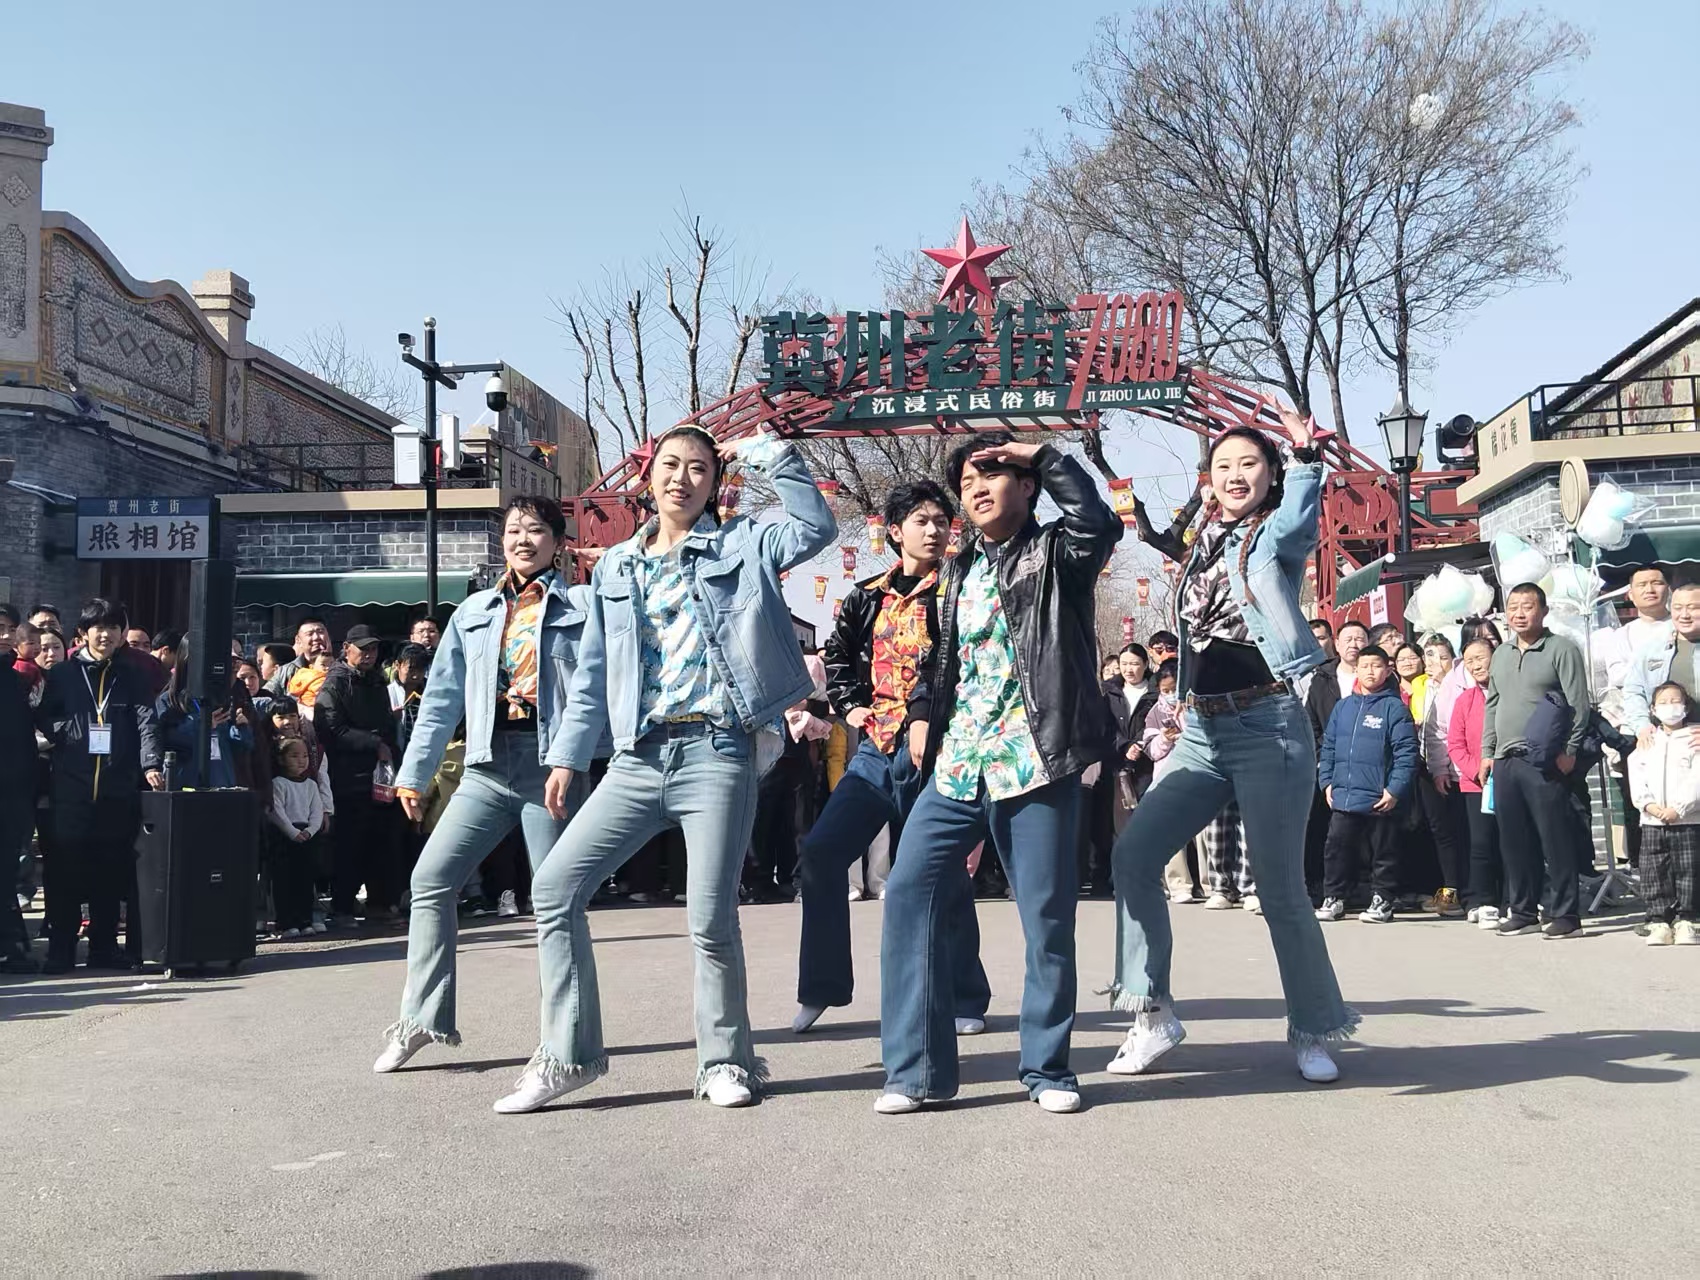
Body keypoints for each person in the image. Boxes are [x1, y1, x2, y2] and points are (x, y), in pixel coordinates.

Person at [513, 425, 835, 1113]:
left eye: (698, 468)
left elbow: (816, 527)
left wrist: (770, 455)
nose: (681, 479)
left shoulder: (743, 544)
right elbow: (593, 672)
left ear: (714, 483)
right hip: (637, 757)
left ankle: (726, 1062)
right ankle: (567, 1055)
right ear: (648, 477)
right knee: (555, 887)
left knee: (710, 919)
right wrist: (567, 755)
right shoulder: (616, 567)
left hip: (717, 751)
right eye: (670, 465)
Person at [1105, 408, 1357, 1086]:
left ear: (1270, 474)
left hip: (1268, 725)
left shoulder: (1275, 533)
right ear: (1208, 480)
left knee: (1278, 890)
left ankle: (1312, 1028)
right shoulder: (1203, 541)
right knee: (1134, 856)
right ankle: (1152, 1014)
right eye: (1223, 466)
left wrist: (1306, 460)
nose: (1236, 474)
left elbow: (1301, 515)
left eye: (1250, 463)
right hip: (1201, 731)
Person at [878, 431, 1122, 1117]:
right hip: (958, 764)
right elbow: (941, 660)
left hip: (1034, 760)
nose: (977, 488)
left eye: (993, 473)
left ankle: (1047, 1069)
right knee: (908, 895)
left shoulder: (1058, 554)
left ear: (1027, 486)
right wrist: (920, 713)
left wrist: (1039, 453)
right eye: (967, 482)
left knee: (1045, 920)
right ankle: (916, 1072)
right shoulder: (956, 572)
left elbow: (1097, 521)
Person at [372, 496, 602, 1073]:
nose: (523, 539)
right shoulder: (473, 612)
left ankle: (565, 1047)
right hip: (485, 765)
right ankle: (422, 1017)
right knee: (431, 880)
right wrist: (415, 773)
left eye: (537, 530)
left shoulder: (583, 605)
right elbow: (441, 698)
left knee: (556, 901)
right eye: (514, 530)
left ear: (558, 542)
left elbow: (595, 689)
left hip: (549, 767)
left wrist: (573, 758)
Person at [794, 479, 989, 1035]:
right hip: (875, 753)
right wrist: (850, 706)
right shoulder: (866, 595)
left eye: (942, 521)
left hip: (937, 751)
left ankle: (965, 996)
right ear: (895, 531)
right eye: (922, 521)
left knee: (943, 870)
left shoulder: (960, 589)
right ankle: (823, 986)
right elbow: (836, 655)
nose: (934, 530)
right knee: (823, 854)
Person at [34, 599, 165, 971]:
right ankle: (61, 949)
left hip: (116, 789)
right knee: (65, 872)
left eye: (113, 627)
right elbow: (44, 715)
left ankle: (103, 948)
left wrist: (150, 763)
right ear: (83, 633)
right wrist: (68, 733)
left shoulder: (133, 675)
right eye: (98, 627)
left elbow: (146, 722)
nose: (106, 634)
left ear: (122, 634)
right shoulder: (63, 674)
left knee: (109, 871)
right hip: (70, 790)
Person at [1480, 583, 1593, 939]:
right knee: (1514, 841)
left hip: (1545, 759)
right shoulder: (1501, 653)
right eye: (1513, 606)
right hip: (1505, 759)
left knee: (1554, 839)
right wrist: (1487, 752)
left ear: (1543, 611)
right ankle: (1523, 911)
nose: (1519, 613)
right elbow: (1493, 703)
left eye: (1527, 606)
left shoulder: (1561, 649)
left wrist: (1570, 750)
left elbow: (1579, 704)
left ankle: (1565, 915)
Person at [1316, 645, 1420, 922]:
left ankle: (1382, 900)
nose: (1370, 671)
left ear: (1387, 670)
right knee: (1336, 849)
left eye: (1376, 665)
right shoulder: (1343, 707)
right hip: (1344, 795)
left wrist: (1394, 789)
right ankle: (1334, 897)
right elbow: (1329, 747)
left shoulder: (1394, 708)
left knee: (1383, 852)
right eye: (1364, 666)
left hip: (1380, 796)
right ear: (1357, 670)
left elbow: (1407, 753)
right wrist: (1327, 782)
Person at [315, 624, 400, 926]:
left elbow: (388, 723)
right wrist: (374, 743)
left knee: (382, 841)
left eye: (373, 649)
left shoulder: (377, 681)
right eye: (363, 649)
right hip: (348, 776)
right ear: (346, 649)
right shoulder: (335, 683)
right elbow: (330, 729)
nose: (369, 654)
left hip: (379, 775)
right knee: (349, 845)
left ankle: (379, 903)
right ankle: (342, 907)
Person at [1628, 682, 1700, 946]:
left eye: (1675, 701)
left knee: (1689, 871)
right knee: (1654, 871)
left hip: (1688, 819)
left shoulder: (1694, 738)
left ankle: (1687, 920)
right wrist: (1648, 805)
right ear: (1653, 709)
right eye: (1663, 702)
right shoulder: (1647, 741)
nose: (1670, 707)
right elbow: (1637, 774)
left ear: (1686, 706)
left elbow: (1696, 779)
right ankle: (1659, 921)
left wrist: (1679, 808)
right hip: (1652, 821)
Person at [1448, 638, 1502, 928]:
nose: (1476, 665)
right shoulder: (1465, 700)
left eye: (1480, 657)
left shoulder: (1510, 694)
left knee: (1513, 842)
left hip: (1511, 780)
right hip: (1476, 785)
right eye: (1469, 661)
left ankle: (1516, 900)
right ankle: (1484, 901)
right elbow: (1455, 744)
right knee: (1481, 844)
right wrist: (1475, 770)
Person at [267, 737, 327, 937]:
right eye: (294, 756)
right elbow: (277, 812)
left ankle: (305, 920)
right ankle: (286, 922)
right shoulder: (278, 783)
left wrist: (311, 830)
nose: (301, 760)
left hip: (307, 836)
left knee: (305, 880)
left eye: (304, 756)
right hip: (285, 836)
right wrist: (292, 832)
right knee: (284, 881)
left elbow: (317, 811)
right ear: (281, 759)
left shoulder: (310, 784)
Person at [1605, 565, 1673, 688]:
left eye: (1657, 583)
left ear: (1668, 589)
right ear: (1631, 594)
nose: (1649, 590)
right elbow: (1617, 677)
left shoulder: (1681, 627)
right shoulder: (1622, 634)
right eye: (1642, 585)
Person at [265, 617, 333, 696]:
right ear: (298, 640)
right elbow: (266, 695)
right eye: (309, 634)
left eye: (320, 632)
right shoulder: (286, 671)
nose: (316, 637)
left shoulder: (339, 667)